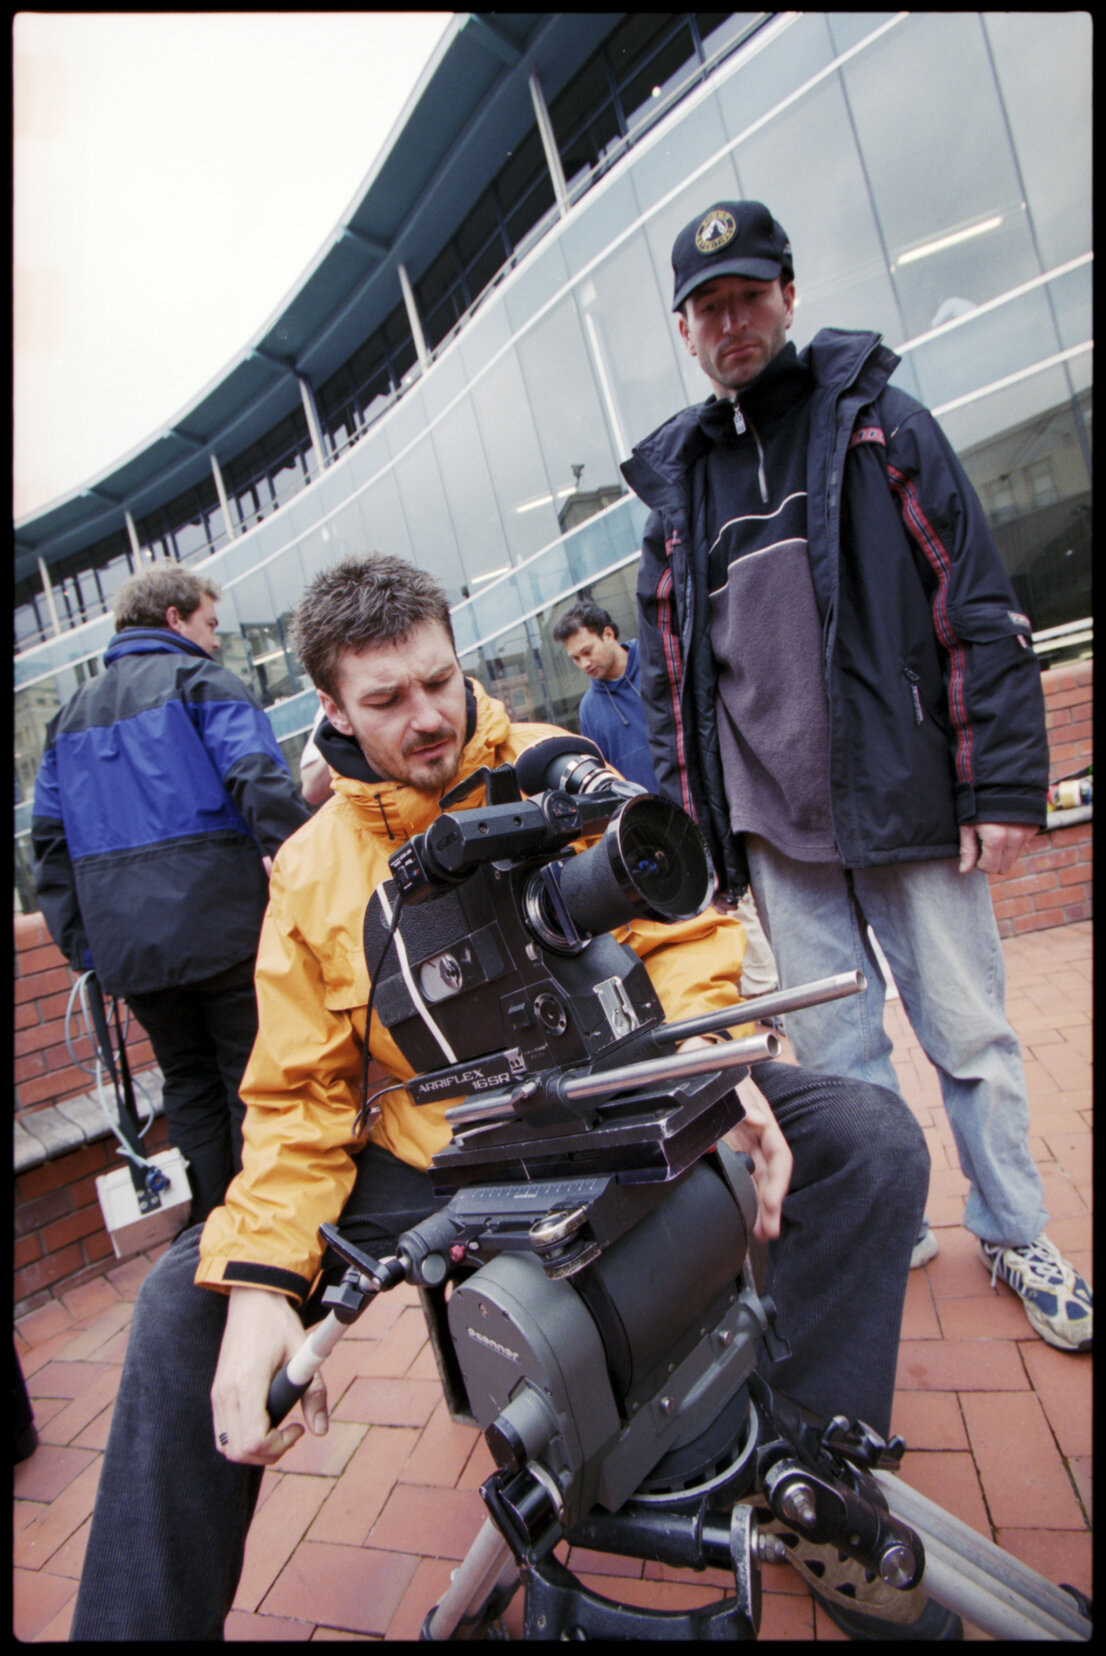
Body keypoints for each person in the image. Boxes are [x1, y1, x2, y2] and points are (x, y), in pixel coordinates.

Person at [70, 555, 942, 1641]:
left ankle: (810, 1481)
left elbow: (676, 928)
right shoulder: (306, 876)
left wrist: (710, 1065)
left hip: (627, 1078)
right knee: (182, 1307)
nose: (427, 718)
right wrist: (259, 1290)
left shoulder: (551, 763)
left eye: (439, 681)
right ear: (330, 710)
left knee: (865, 1139)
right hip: (443, 1142)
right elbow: (295, 1104)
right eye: (386, 700)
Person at [623, 198, 1091, 1353]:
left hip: (907, 801)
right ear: (683, 330)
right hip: (780, 837)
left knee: (969, 1036)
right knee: (836, 1057)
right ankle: (890, 1214)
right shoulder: (676, 492)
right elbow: (669, 687)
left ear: (786, 296)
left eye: (748, 296)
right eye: (706, 307)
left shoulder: (876, 422)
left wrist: (997, 788)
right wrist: (700, 848)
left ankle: (1014, 1228)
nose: (730, 321)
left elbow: (972, 603)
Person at [32, 566, 310, 1223]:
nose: (216, 640)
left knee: (187, 1080)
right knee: (253, 1076)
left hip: (128, 949)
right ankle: (271, 1224)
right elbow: (256, 778)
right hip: (223, 927)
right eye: (210, 624)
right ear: (174, 618)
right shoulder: (201, 680)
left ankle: (214, 1221)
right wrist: (310, 869)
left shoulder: (68, 717)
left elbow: (47, 841)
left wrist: (84, 946)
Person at [554, 598, 778, 999]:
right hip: (654, 830)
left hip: (703, 807)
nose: (583, 664)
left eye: (587, 651)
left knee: (739, 901)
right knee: (700, 913)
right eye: (575, 659)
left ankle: (768, 994)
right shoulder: (590, 710)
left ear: (609, 634)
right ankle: (746, 997)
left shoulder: (659, 663)